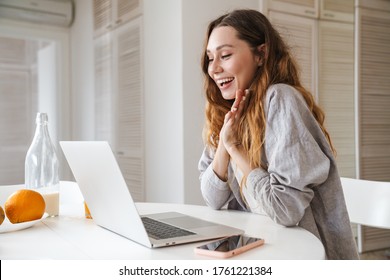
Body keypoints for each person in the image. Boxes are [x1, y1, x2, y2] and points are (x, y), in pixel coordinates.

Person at [198, 9, 359, 260]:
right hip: (262, 248)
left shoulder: (281, 100)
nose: (214, 69)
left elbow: (285, 211)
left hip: (303, 256)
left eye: (225, 55)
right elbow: (212, 199)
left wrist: (235, 148)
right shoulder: (227, 113)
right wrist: (223, 144)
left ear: (260, 54)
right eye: (210, 58)